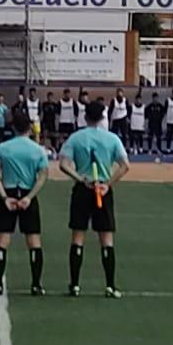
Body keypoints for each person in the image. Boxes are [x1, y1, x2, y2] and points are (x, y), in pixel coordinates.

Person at [58, 98, 128, 297]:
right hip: (103, 190)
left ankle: (75, 285)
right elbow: (125, 166)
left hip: (83, 189)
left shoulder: (76, 138)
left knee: (78, 236)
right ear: (103, 116)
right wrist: (107, 184)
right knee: (106, 238)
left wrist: (80, 179)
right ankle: (110, 285)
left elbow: (63, 164)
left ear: (85, 116)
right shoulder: (112, 138)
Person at [0, 105, 51, 296]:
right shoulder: (38, 151)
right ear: (29, 128)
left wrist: (5, 197)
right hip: (27, 194)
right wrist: (29, 197)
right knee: (33, 241)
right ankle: (36, 284)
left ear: (13, 128)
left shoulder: (2, 149)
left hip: (8, 192)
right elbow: (42, 177)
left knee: (2, 240)